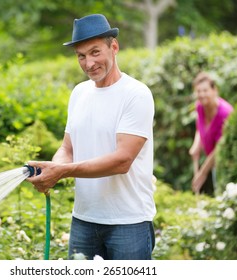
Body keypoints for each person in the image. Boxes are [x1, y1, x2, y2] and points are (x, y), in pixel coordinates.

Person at [26, 14, 156, 260]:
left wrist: (62, 172)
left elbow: (122, 161)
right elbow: (67, 148)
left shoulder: (136, 94)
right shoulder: (79, 93)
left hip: (128, 223)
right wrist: (53, 169)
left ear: (114, 47)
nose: (88, 63)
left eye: (95, 52)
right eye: (81, 56)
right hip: (83, 221)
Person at [189, 72, 233, 196]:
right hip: (215, 163)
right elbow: (200, 127)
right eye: (198, 91)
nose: (201, 94)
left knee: (227, 196)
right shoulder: (200, 107)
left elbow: (220, 147)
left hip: (228, 162)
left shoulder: (225, 113)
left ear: (214, 90)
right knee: (219, 196)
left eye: (205, 90)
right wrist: (196, 145)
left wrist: (202, 174)